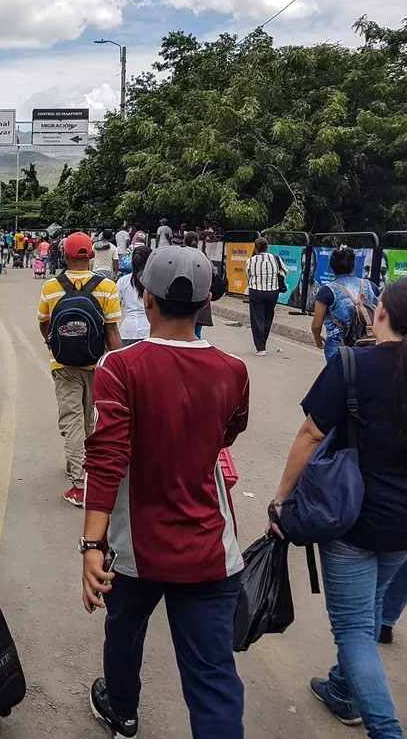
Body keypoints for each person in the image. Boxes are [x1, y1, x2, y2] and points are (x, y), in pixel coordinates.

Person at [82, 245, 250, 739]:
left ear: (145, 297)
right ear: (204, 304)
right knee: (213, 678)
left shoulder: (120, 367)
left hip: (137, 550)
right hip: (210, 551)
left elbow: (106, 459)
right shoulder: (232, 369)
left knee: (124, 633)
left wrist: (92, 545)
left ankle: (123, 711)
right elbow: (227, 434)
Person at [271, 273, 407, 736]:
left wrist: (281, 500)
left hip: (350, 519)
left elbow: (311, 435)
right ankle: (343, 690)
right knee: (373, 603)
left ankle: (387, 731)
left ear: (380, 313)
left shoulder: (352, 365)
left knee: (355, 630)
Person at [37, 233, 122, 508]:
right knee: (88, 418)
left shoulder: (51, 286)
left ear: (65, 255)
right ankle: (79, 461)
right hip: (95, 362)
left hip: (63, 364)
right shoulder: (107, 286)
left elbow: (43, 323)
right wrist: (118, 363)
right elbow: (111, 330)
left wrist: (52, 344)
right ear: (91, 256)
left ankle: (80, 484)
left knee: (72, 420)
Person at [311, 246, 380, 360]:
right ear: (354, 265)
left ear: (330, 267)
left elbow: (316, 324)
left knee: (339, 375)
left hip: (338, 344)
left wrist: (317, 338)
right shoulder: (369, 285)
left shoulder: (327, 291)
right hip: (366, 342)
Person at [245, 237, 290, 356]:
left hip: (256, 291)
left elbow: (248, 276)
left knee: (257, 318)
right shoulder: (275, 258)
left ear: (255, 248)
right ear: (267, 247)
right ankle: (263, 340)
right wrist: (277, 278)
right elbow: (286, 271)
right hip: (272, 292)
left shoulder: (251, 260)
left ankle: (260, 348)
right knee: (268, 317)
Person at [116, 246, 153, 346]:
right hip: (149, 331)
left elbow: (115, 307)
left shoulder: (122, 281)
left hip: (127, 331)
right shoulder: (154, 282)